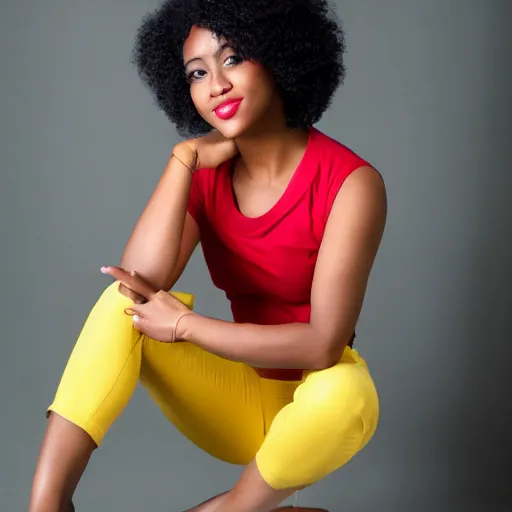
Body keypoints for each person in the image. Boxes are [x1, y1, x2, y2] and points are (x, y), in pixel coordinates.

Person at [29, 0, 387, 510]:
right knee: (120, 305)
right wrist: (184, 159)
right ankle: (48, 502)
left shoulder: (351, 183)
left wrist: (187, 327)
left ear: (279, 56)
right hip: (236, 400)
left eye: (233, 59)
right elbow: (138, 283)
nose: (215, 84)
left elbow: (322, 345)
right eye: (197, 72)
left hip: (315, 406)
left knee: (347, 395)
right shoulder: (205, 177)